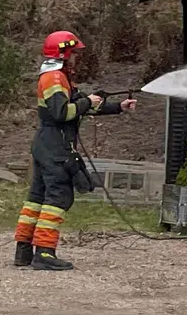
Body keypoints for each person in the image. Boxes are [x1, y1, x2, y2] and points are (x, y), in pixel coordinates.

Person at [13, 31, 137, 271]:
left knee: (37, 198)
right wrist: (88, 101)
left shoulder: (56, 76)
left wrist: (117, 107)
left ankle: (24, 251)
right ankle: (45, 253)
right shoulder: (55, 78)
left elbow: (79, 108)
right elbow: (63, 113)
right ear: (64, 53)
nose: (77, 58)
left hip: (47, 143)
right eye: (74, 54)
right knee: (58, 197)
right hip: (56, 145)